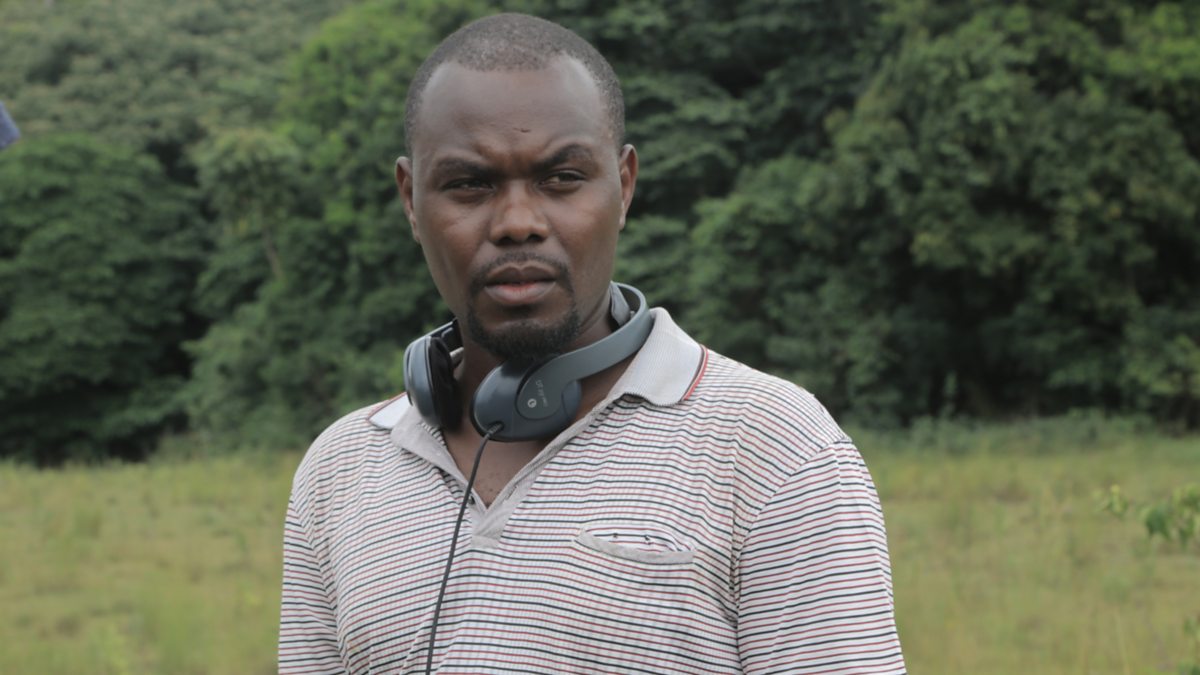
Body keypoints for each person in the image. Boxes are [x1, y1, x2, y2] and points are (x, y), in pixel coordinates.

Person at [279, 13, 905, 675]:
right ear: (411, 200)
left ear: (624, 186)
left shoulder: (775, 449)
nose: (518, 222)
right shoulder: (338, 471)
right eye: (469, 184)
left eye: (562, 178)